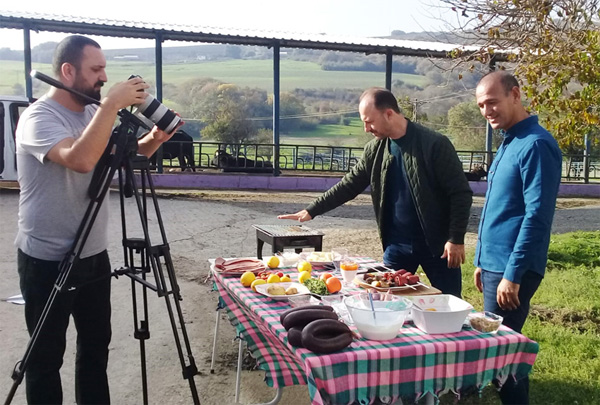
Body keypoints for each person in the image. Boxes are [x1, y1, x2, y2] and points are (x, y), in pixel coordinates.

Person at [14, 35, 181, 404]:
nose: (104, 77)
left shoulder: (93, 112)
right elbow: (81, 158)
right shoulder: (37, 118)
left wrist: (155, 137)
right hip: (46, 258)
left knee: (95, 349)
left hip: (92, 255)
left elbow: (125, 156)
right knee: (45, 358)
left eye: (104, 68)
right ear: (68, 71)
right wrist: (111, 106)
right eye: (96, 69)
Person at [279, 87, 473, 297]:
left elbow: (460, 194)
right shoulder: (374, 149)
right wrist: (311, 210)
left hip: (439, 247)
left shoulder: (434, 144)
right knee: (386, 301)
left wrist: (455, 238)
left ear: (389, 113)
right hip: (396, 245)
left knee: (449, 303)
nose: (366, 128)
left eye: (369, 121)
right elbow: (350, 184)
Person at [474, 71, 562, 404]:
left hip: (514, 267)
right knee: (501, 351)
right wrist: (482, 262)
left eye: (492, 102)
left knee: (503, 354)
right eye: (482, 105)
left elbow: (537, 217)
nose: (487, 111)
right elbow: (502, 211)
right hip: (496, 265)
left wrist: (512, 275)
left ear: (515, 95)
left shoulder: (536, 144)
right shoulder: (511, 141)